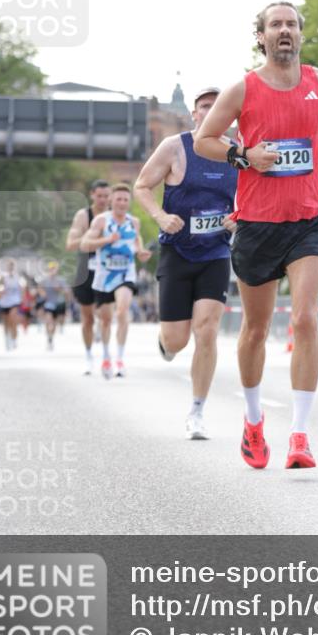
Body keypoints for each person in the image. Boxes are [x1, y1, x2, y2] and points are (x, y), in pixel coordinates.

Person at [194, 1, 318, 469]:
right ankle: (252, 420)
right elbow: (207, 139)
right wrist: (244, 156)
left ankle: (301, 435)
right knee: (256, 330)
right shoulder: (242, 89)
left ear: (301, 34)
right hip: (257, 224)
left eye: (291, 24)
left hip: (311, 217)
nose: (284, 30)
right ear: (261, 37)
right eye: (275, 25)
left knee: (305, 319)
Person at [134, 88, 238, 439]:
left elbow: (251, 197)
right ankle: (166, 344)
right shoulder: (174, 147)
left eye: (216, 107)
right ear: (194, 115)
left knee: (207, 329)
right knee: (177, 340)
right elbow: (142, 186)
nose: (210, 112)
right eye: (204, 107)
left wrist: (239, 218)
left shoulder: (237, 152)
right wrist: (160, 217)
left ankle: (197, 411)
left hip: (216, 253)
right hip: (177, 253)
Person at [79, 183, 151, 378]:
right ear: (111, 200)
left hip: (125, 274)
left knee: (122, 311)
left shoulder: (134, 222)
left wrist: (141, 252)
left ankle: (120, 359)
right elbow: (85, 244)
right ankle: (106, 356)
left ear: (129, 202)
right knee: (105, 320)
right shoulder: (102, 221)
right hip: (103, 277)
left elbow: (136, 243)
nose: (121, 203)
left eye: (125, 200)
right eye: (118, 199)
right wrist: (106, 240)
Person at [65, 179, 111, 374]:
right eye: (99, 196)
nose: (103, 200)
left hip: (109, 270)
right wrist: (93, 238)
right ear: (92, 195)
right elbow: (70, 244)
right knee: (88, 318)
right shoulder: (83, 216)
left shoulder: (116, 216)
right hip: (86, 271)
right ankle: (89, 356)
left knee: (106, 315)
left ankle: (107, 356)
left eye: (106, 196)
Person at [37, 262, 70, 350]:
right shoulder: (45, 280)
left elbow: (67, 292)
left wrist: (60, 289)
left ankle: (51, 338)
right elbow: (39, 288)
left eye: (54, 268)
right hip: (48, 304)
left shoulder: (61, 280)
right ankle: (49, 337)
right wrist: (43, 293)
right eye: (51, 269)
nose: (52, 271)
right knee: (49, 321)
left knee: (54, 324)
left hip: (58, 304)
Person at [0, 259, 24, 350]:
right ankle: (7, 338)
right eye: (9, 266)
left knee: (13, 319)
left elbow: (22, 288)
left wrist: (22, 298)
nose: (10, 268)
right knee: (6, 323)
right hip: (4, 302)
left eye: (12, 266)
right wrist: (0, 291)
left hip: (15, 301)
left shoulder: (18, 277)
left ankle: (14, 339)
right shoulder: (3, 277)